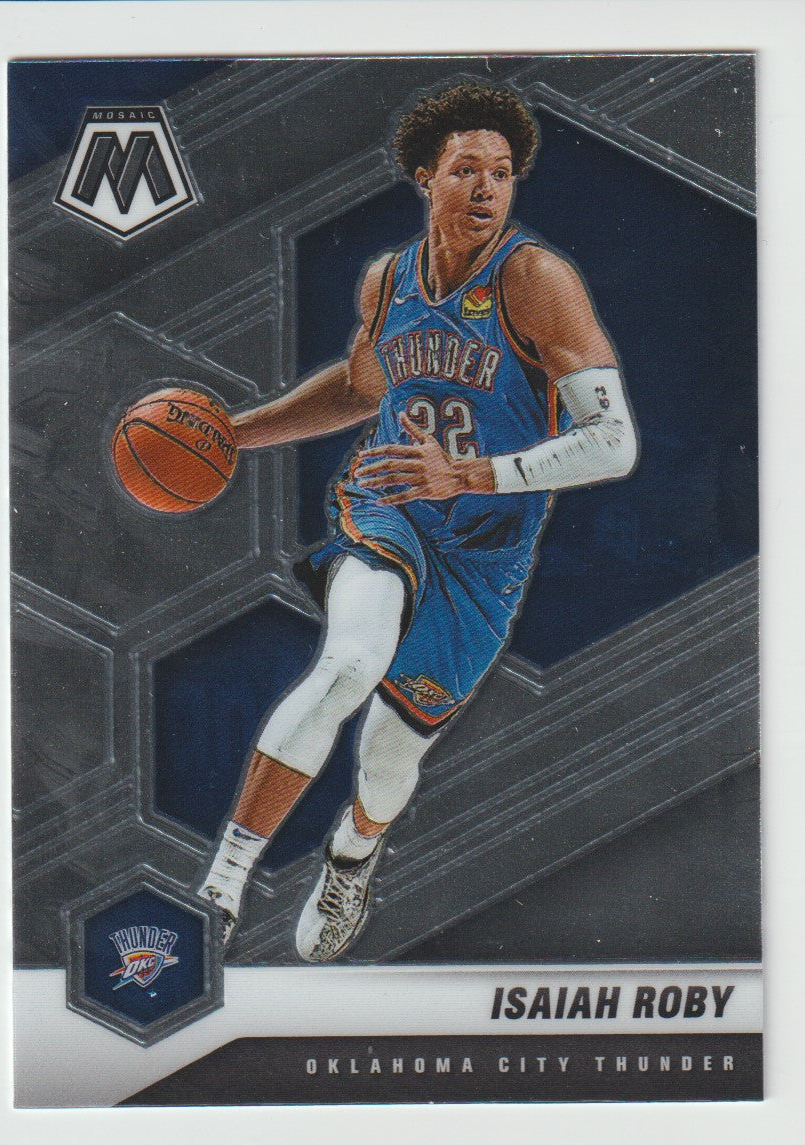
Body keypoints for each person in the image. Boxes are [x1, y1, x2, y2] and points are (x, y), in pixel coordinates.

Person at [197, 82, 638, 963]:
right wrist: (237, 434)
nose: (487, 188)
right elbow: (361, 389)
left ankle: (352, 856)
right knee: (349, 661)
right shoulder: (387, 281)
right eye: (467, 169)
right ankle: (221, 887)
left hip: (487, 551)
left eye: (503, 173)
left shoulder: (534, 280)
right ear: (424, 177)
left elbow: (614, 442)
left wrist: (468, 473)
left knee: (391, 757)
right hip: (389, 505)